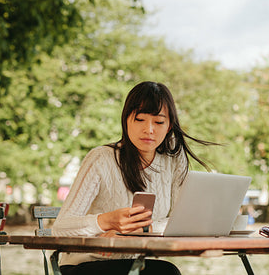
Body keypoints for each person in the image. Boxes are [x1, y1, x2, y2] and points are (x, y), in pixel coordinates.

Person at [52, 81, 215, 275]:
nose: (149, 129)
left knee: (166, 271)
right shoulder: (101, 158)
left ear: (170, 125)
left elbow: (182, 222)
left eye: (159, 122)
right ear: (126, 120)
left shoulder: (173, 160)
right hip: (86, 264)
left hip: (135, 265)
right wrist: (106, 221)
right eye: (139, 119)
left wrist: (141, 230)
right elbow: (60, 228)